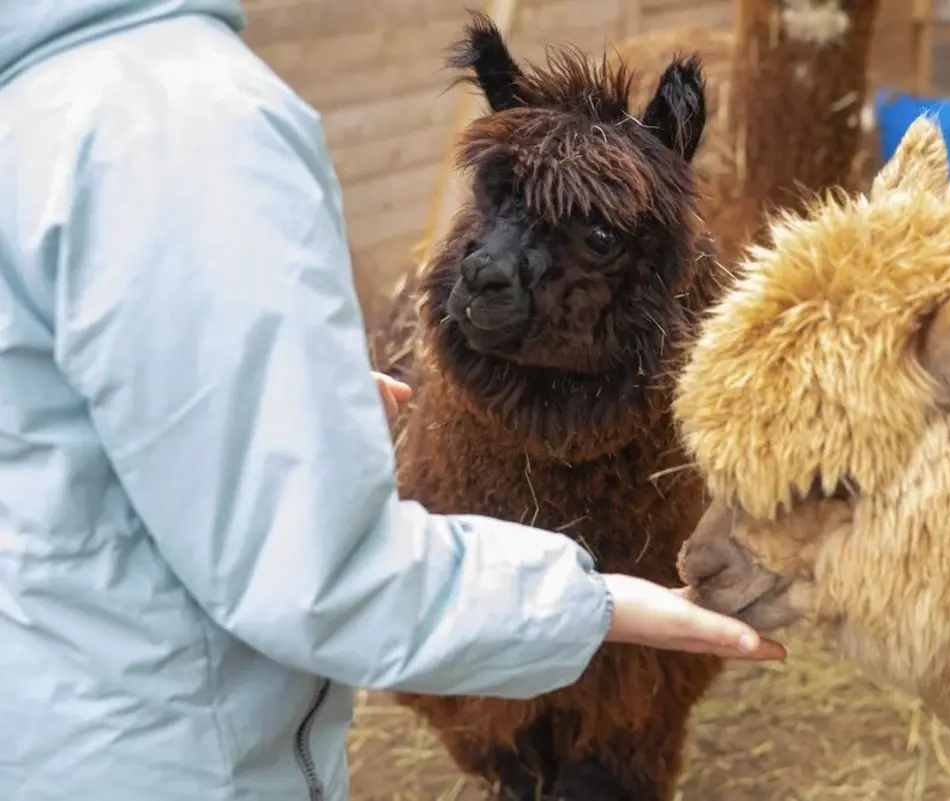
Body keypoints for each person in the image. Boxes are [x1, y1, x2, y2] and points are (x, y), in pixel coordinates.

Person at [0, 3, 783, 800]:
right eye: (497, 208)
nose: (486, 263)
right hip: (157, 749)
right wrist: (594, 604)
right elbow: (318, 575)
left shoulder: (53, 102)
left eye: (595, 241)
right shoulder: (175, 115)